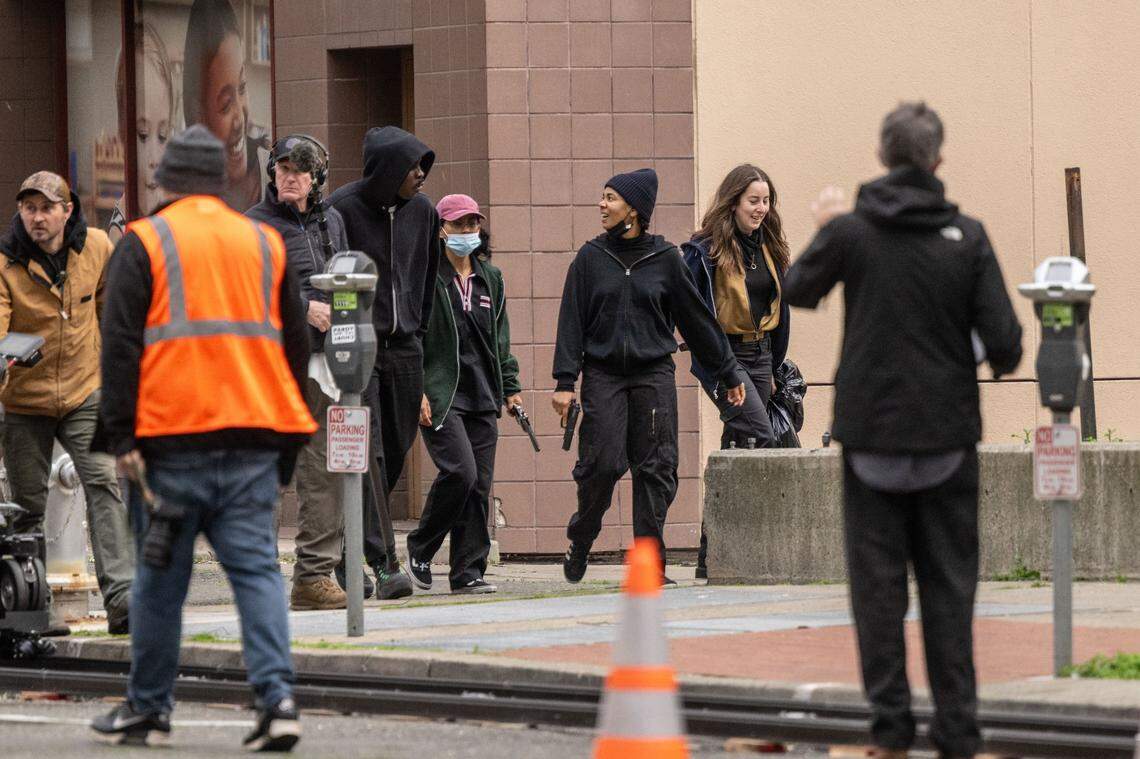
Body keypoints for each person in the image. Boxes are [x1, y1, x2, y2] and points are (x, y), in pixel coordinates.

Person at [783, 102, 1023, 759]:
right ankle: (957, 732)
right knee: (950, 591)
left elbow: (797, 288)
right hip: (947, 438)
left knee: (877, 593)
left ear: (882, 156)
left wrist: (827, 228)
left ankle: (889, 732)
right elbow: (1006, 346)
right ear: (938, 160)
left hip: (870, 441)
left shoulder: (852, 233)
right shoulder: (968, 237)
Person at [91, 125, 315, 751]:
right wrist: (287, 445)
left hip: (171, 447)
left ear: (165, 181)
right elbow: (295, 348)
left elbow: (120, 347)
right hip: (254, 443)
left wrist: (121, 438)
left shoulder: (144, 242)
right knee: (259, 573)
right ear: (222, 182)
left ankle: (148, 709)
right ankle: (278, 701)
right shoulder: (264, 242)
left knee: (159, 582)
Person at [552, 168, 746, 585]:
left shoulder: (665, 259)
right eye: (603, 196)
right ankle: (581, 538)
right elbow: (571, 322)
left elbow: (697, 321)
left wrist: (728, 372)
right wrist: (565, 383)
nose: (602, 205)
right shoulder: (590, 259)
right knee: (602, 464)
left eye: (610, 198)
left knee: (655, 469)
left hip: (653, 374)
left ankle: (650, 565)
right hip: (603, 374)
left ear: (634, 210)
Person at [0, 171, 134, 635]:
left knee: (103, 483)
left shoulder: (96, 246)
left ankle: (123, 600)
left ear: (67, 211)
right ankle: (31, 606)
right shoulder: (6, 261)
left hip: (85, 391)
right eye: (29, 209)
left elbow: (109, 307)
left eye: (46, 208)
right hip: (25, 399)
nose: (37, 218)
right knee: (27, 506)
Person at [328, 125, 438, 600]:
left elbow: (428, 278)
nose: (421, 175)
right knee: (368, 450)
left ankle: (349, 545)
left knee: (394, 446)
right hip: (361, 344)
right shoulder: (341, 209)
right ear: (388, 169)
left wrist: (418, 329)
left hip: (407, 345)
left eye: (423, 166)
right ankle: (384, 562)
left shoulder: (424, 212)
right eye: (412, 167)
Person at [247, 134, 350, 611]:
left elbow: (346, 277)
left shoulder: (334, 221)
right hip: (272, 364)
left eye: (300, 170)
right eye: (283, 168)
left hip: (325, 363)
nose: (290, 177)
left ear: (317, 177)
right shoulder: (254, 225)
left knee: (325, 469)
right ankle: (258, 574)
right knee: (267, 469)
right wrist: (303, 307)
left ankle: (314, 575)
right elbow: (247, 291)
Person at [407, 195, 522, 595]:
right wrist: (417, 389)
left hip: (483, 393)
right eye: (458, 224)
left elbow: (500, 338)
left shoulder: (491, 278)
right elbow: (413, 338)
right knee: (461, 472)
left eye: (473, 224)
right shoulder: (427, 276)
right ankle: (421, 546)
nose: (467, 231)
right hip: (442, 394)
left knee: (479, 485)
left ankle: (467, 571)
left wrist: (511, 388)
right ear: (441, 230)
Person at [683, 164, 793, 579]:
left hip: (762, 356)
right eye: (753, 201)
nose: (761, 208)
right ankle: (761, 544)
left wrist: (776, 365)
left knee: (737, 447)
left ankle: (710, 555)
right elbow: (691, 312)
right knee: (762, 437)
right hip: (724, 357)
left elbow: (779, 310)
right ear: (733, 203)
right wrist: (718, 365)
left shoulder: (769, 246)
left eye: (766, 201)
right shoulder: (705, 251)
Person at [183, 0, 268, 211]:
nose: (240, 118)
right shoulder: (182, 192)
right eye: (226, 105)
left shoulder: (273, 173)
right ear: (198, 114)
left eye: (242, 88)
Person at [109, 22, 178, 242]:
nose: (155, 159)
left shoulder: (179, 214)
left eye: (163, 136)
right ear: (122, 134)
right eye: (143, 135)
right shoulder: (121, 234)